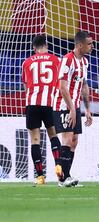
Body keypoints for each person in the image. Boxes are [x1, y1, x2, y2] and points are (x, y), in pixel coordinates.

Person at [53, 31, 93, 187]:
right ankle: (63, 178)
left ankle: (66, 177)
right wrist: (71, 109)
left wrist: (87, 110)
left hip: (75, 106)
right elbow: (62, 88)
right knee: (68, 139)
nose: (92, 46)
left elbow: (84, 86)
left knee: (74, 142)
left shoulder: (84, 62)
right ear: (79, 45)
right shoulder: (67, 61)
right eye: (89, 44)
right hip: (62, 105)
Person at [21, 34, 63, 185]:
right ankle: (58, 165)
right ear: (46, 46)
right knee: (53, 135)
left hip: (32, 103)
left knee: (35, 140)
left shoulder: (26, 62)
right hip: (49, 103)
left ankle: (40, 176)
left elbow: (26, 86)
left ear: (34, 47)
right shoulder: (56, 60)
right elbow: (61, 82)